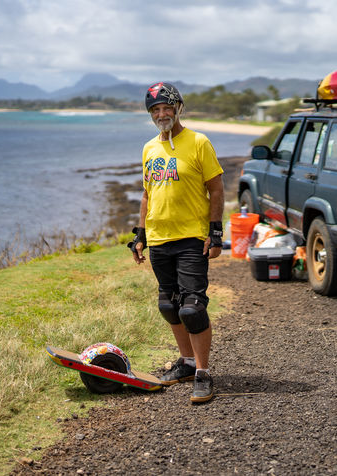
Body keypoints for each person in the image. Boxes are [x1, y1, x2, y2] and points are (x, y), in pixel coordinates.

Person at [128, 82, 224, 403]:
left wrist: (216, 231)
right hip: (159, 239)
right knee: (169, 305)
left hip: (191, 238)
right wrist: (139, 236)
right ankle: (184, 363)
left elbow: (217, 188)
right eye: (155, 110)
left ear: (178, 108)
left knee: (192, 307)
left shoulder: (198, 142)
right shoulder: (149, 148)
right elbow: (147, 194)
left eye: (166, 107)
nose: (161, 114)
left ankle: (203, 372)